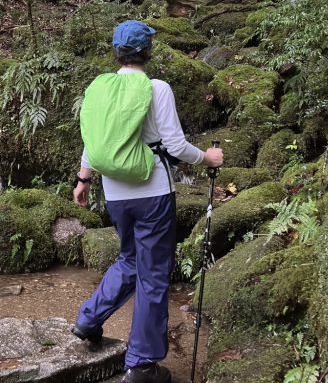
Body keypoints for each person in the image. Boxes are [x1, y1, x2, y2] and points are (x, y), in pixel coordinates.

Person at [72, 21, 224, 383]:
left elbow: (95, 138)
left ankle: (88, 320)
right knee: (153, 274)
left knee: (129, 259)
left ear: (117, 53)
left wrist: (83, 178)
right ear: (147, 52)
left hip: (115, 193)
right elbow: (173, 145)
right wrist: (207, 158)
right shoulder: (156, 88)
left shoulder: (102, 87)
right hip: (152, 191)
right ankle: (141, 364)